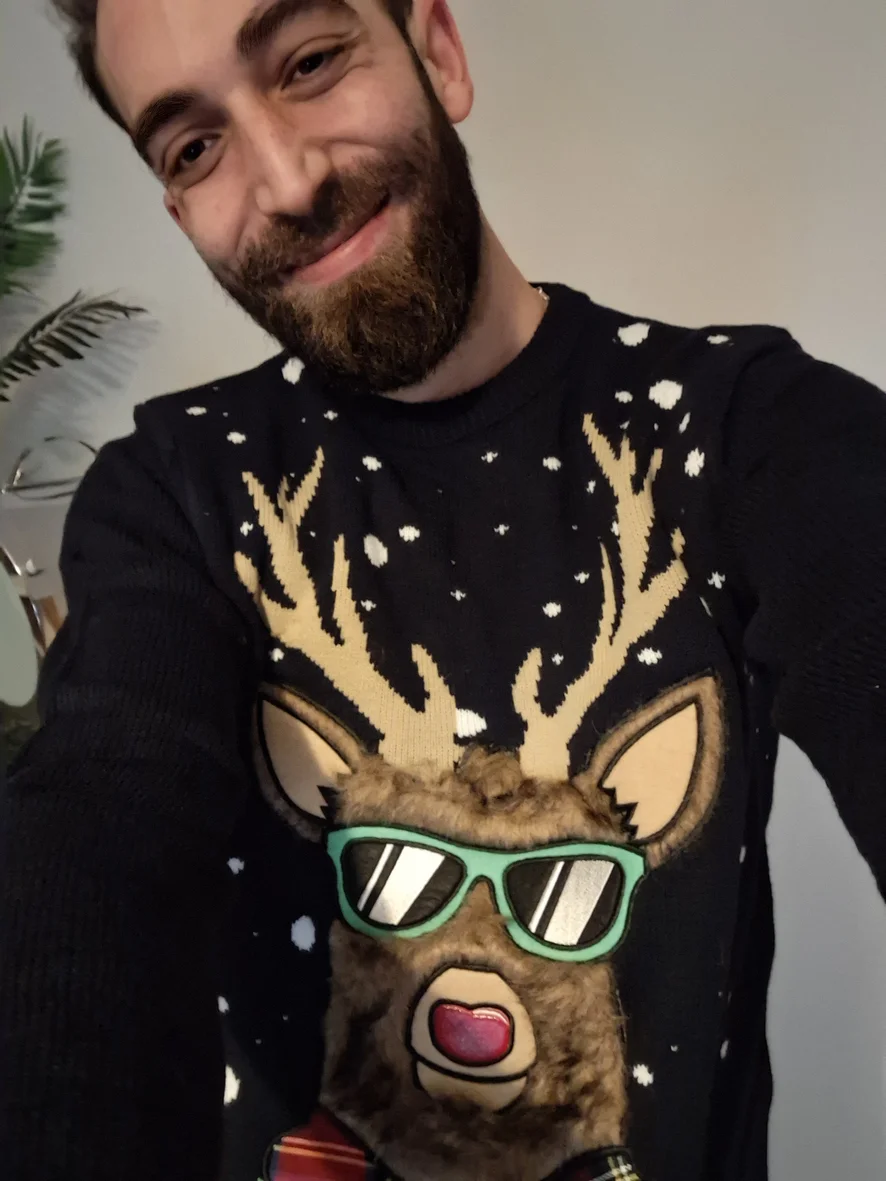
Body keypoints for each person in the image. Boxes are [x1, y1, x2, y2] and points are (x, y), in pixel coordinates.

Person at [1, 1, 884, 1179]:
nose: (287, 181)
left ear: (439, 54)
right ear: (177, 208)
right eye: (195, 145)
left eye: (310, 62)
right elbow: (104, 818)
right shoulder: (172, 495)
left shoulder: (748, 428)